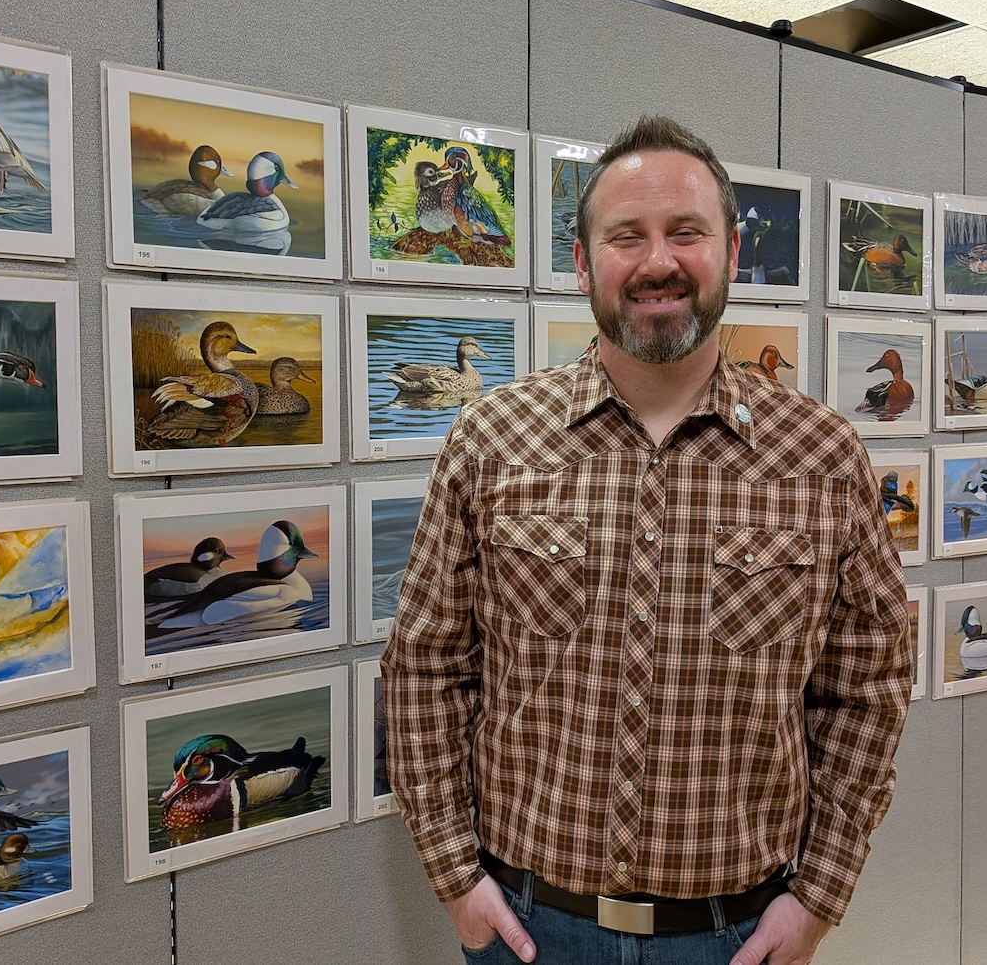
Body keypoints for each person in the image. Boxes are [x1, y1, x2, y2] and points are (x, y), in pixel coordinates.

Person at [381, 115, 912, 965]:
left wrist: (819, 894)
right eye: (627, 236)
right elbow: (425, 665)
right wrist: (453, 872)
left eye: (685, 233)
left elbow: (868, 689)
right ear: (586, 263)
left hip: (735, 934)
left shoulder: (823, 456)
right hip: (532, 929)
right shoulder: (491, 441)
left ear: (731, 254)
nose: (658, 261)